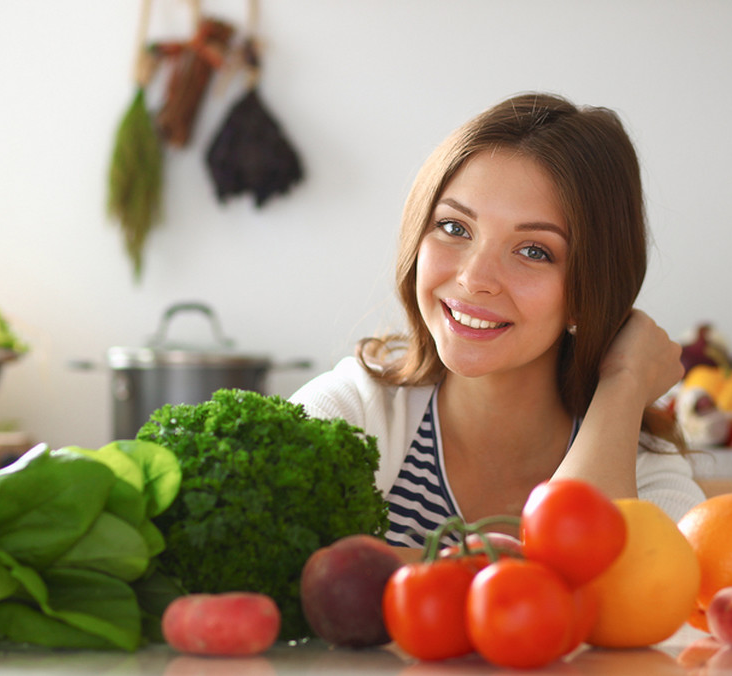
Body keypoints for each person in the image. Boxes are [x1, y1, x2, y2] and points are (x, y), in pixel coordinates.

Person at [290, 92, 705, 551]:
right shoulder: (354, 413)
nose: (474, 279)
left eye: (533, 251)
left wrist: (624, 384)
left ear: (588, 292)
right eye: (454, 228)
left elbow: (628, 603)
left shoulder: (642, 470)